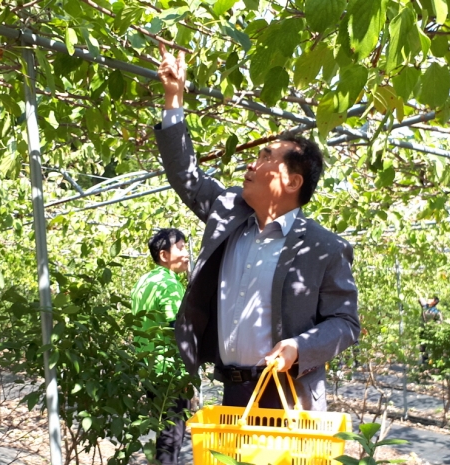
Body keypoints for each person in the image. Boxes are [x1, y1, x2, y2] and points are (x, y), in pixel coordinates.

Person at [153, 44, 360, 411]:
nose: (252, 164)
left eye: (266, 158)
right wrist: (173, 99)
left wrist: (301, 346)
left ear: (293, 182)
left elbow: (345, 322)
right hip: (227, 390)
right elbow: (187, 177)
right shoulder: (228, 211)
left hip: (288, 396)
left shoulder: (323, 248)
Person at [131, 228, 190, 465]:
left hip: (148, 368)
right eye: (181, 248)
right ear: (164, 255)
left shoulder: (144, 281)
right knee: (171, 437)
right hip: (171, 374)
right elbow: (179, 328)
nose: (186, 253)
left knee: (161, 431)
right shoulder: (168, 284)